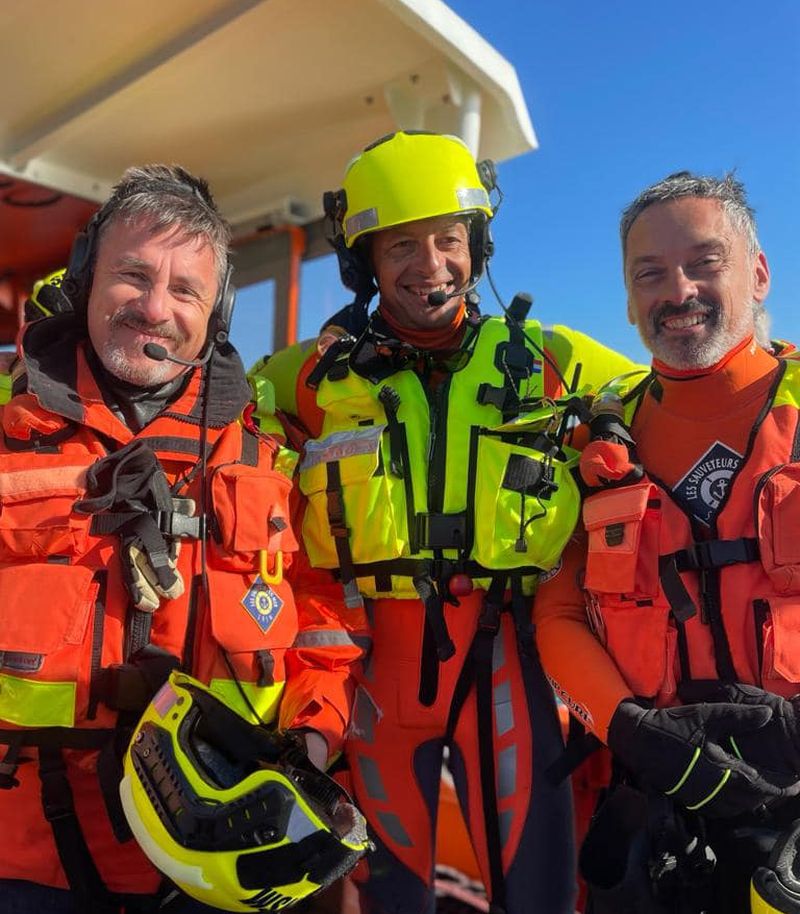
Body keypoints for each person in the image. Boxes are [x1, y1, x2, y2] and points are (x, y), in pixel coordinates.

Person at [250, 130, 637, 914]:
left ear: (479, 246)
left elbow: (662, 387)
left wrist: (610, 425)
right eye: (400, 247)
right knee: (392, 898)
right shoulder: (306, 377)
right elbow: (206, 407)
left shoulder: (551, 358)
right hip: (378, 674)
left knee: (540, 892)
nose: (430, 265)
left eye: (448, 241)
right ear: (363, 261)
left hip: (508, 659)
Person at [0, 165, 362, 913]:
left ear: (217, 309)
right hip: (22, 858)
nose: (155, 309)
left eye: (185, 290)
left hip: (217, 866)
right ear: (85, 280)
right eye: (132, 275)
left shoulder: (270, 457)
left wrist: (311, 744)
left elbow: (326, 627)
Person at [535, 170, 800, 914]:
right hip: (654, 811)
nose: (677, 290)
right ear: (627, 299)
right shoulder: (595, 446)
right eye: (650, 273)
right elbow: (557, 614)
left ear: (757, 271)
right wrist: (632, 730)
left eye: (704, 262)